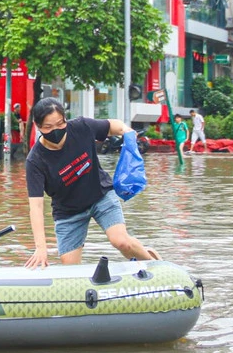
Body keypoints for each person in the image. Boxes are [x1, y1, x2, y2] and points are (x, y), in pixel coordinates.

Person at [24, 98, 159, 269]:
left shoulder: (81, 127)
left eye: (60, 124)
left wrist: (127, 132)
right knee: (70, 268)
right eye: (48, 127)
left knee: (121, 241)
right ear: (38, 126)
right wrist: (40, 248)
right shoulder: (35, 161)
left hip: (100, 195)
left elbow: (113, 126)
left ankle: (155, 265)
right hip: (68, 212)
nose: (56, 131)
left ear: (65, 119)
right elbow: (35, 207)